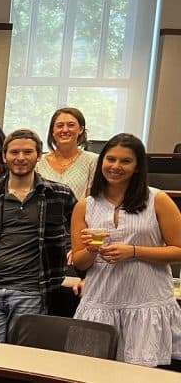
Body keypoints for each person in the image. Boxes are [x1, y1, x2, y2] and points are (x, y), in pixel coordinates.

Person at [71, 133, 181, 367]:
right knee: (89, 371)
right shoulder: (85, 206)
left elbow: (179, 250)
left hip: (146, 303)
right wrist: (92, 250)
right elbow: (80, 262)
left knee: (140, 375)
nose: (116, 166)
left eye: (125, 161)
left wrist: (133, 251)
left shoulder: (157, 199)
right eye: (110, 159)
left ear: (138, 167)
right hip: (100, 302)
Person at [0, 129, 76, 342]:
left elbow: (80, 230)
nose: (21, 158)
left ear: (39, 156)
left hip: (32, 292)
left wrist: (77, 265)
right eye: (14, 152)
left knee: (21, 360)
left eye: (28, 152)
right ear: (4, 156)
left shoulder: (59, 194)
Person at [36, 107, 98, 201]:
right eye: (60, 125)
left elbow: (91, 202)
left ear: (81, 129)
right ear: (53, 131)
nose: (65, 130)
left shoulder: (93, 161)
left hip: (78, 215)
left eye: (71, 125)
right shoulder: (38, 161)